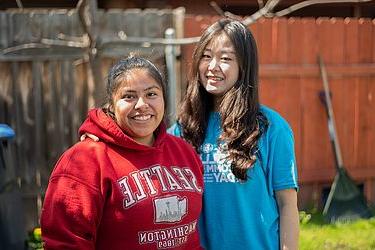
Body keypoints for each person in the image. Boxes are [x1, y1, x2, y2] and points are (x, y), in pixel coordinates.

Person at [40, 56, 204, 250]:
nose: (142, 104)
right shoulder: (84, 161)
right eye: (129, 96)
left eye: (151, 94)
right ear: (112, 104)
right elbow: (65, 243)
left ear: (164, 99)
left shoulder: (183, 151)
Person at [168, 19, 299, 250]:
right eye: (206, 56)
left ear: (244, 66)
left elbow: (287, 205)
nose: (212, 66)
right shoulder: (183, 129)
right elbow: (141, 151)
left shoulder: (272, 128)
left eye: (226, 58)